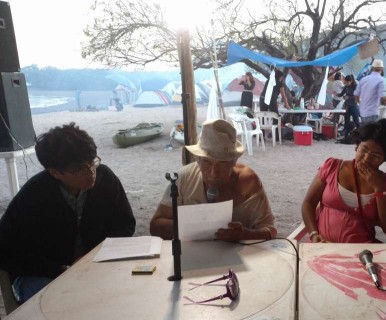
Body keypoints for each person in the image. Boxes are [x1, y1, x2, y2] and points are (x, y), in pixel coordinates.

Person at [0, 123, 136, 303]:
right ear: (55, 172)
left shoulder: (106, 178)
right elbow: (6, 250)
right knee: (61, 303)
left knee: (128, 294)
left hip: (96, 263)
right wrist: (61, 269)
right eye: (79, 169)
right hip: (44, 274)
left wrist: (93, 255)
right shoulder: (34, 194)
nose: (91, 173)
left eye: (92, 162)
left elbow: (125, 225)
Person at [150, 119, 276, 241]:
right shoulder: (184, 177)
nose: (213, 173)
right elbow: (155, 226)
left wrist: (244, 234)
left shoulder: (248, 182)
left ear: (233, 162)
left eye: (222, 163)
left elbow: (270, 230)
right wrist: (192, 225)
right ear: (198, 160)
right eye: (207, 162)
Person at [302, 119, 386, 243]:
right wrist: (313, 234)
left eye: (375, 156)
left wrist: (380, 189)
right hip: (321, 247)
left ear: (385, 159)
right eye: (364, 150)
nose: (366, 159)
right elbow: (308, 203)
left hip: (361, 254)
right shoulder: (332, 167)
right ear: (357, 146)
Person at [355, 59, 386, 123]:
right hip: (372, 112)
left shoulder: (364, 79)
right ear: (382, 69)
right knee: (372, 131)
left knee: (365, 131)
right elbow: (382, 96)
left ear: (372, 68)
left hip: (363, 112)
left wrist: (361, 103)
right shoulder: (381, 80)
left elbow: (356, 95)